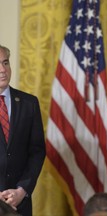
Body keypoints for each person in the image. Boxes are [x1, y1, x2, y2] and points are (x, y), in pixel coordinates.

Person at [0, 45, 46, 216]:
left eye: (5, 63)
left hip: (19, 203)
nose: (2, 70)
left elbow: (37, 152)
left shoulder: (29, 103)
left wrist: (22, 190)